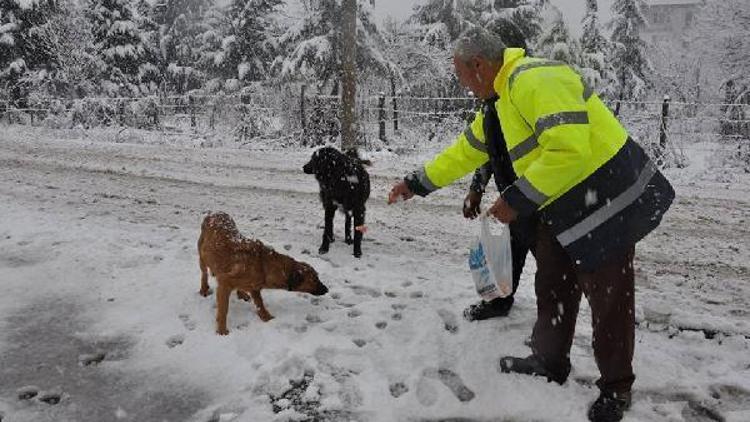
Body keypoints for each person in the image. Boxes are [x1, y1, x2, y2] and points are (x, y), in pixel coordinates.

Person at [387, 27, 674, 422]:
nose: (462, 85)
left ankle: (616, 388)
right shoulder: (500, 103)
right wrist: (414, 184)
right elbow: (463, 152)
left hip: (606, 202)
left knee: (610, 299)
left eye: (461, 75)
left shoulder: (536, 78)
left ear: (479, 66)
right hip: (562, 204)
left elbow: (568, 148)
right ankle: (549, 360)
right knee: (553, 284)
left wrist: (514, 201)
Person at [460, 19, 536, 322]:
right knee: (509, 251)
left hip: (543, 196)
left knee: (555, 268)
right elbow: (488, 148)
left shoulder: (524, 90)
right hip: (514, 196)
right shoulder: (493, 101)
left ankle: (554, 338)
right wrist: (477, 186)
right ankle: (500, 301)